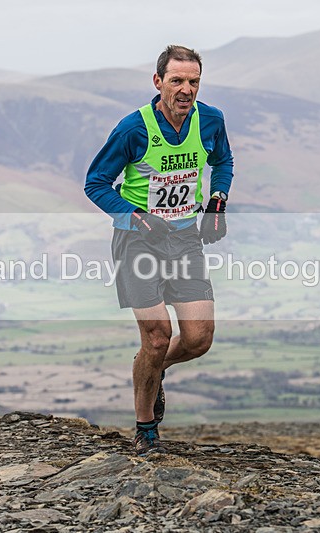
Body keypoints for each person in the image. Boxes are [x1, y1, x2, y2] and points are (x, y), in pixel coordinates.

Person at [85, 45, 234, 456]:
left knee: (199, 338)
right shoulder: (133, 129)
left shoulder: (211, 120)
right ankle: (146, 428)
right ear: (158, 82)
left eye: (193, 82)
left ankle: (153, 370)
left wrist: (217, 201)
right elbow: (95, 183)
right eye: (177, 81)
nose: (186, 90)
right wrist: (133, 215)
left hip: (185, 239)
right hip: (138, 241)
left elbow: (223, 161)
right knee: (156, 337)